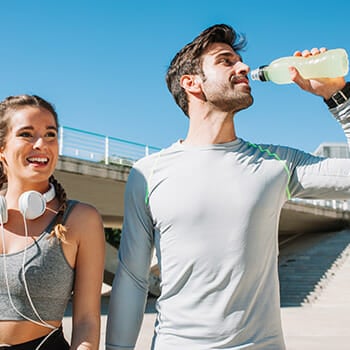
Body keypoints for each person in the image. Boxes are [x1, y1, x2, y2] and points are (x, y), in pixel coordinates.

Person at [106, 23, 350, 350]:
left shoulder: (277, 164)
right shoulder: (147, 173)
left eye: (240, 60)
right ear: (191, 83)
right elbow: (134, 279)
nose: (244, 67)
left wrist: (337, 94)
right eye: (226, 61)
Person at [0, 95, 105, 349]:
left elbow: (87, 322)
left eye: (50, 134)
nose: (41, 144)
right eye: (26, 134)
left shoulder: (81, 220)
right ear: (1, 147)